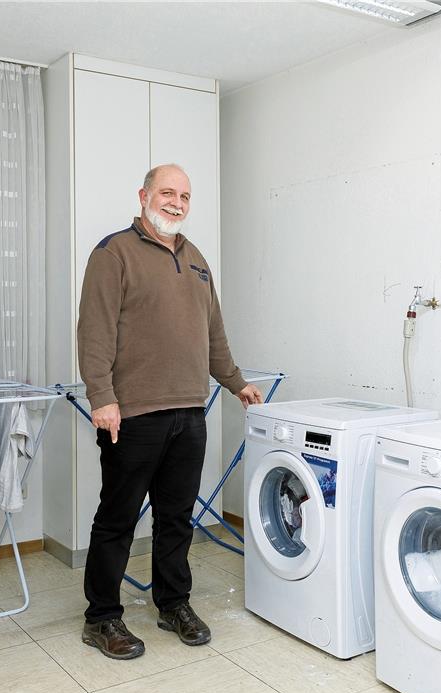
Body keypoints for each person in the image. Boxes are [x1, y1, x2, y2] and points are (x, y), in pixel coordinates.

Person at [77, 163, 263, 659]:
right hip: (132, 414)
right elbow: (94, 330)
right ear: (144, 196)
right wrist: (102, 397)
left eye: (184, 196)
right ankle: (101, 618)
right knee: (117, 520)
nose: (176, 203)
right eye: (167, 193)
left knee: (177, 519)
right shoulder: (113, 252)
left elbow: (213, 332)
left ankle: (173, 604)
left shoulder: (196, 259)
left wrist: (236, 382)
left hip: (189, 412)